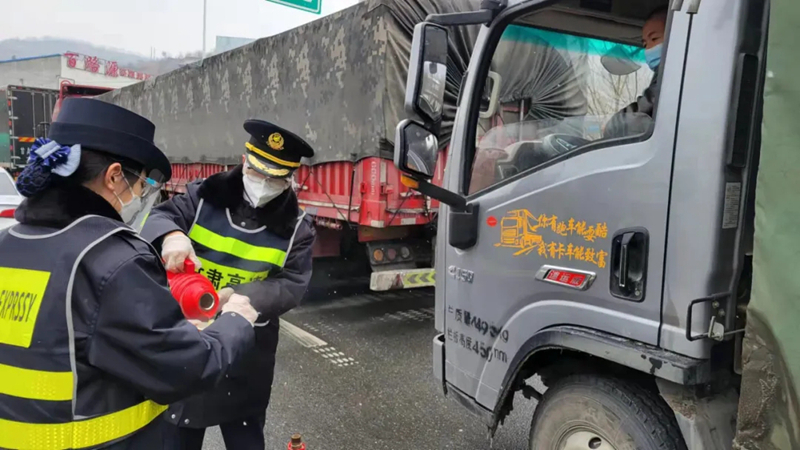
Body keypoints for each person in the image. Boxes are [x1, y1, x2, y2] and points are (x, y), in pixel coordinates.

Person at [0, 98, 260, 449]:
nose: (140, 198)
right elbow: (186, 368)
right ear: (114, 176)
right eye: (141, 187)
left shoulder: (8, 244)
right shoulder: (111, 260)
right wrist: (235, 321)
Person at [141, 119, 316, 449]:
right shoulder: (203, 197)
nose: (263, 184)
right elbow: (157, 216)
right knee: (179, 433)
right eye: (257, 172)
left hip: (248, 349)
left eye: (275, 178)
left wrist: (241, 300)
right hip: (188, 337)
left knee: (245, 435)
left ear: (290, 179)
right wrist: (172, 235)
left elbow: (293, 282)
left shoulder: (297, 227)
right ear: (243, 160)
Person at [603, 6, 667, 138]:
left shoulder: (672, 78)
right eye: (645, 44)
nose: (648, 49)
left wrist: (612, 126)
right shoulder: (664, 75)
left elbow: (642, 113)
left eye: (654, 39)